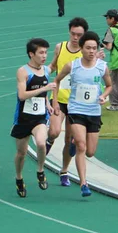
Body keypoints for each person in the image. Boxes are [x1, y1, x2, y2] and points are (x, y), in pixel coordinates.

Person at [53, 31, 112, 197]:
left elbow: (109, 85)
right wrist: (55, 101)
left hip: (93, 112)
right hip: (76, 110)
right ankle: (83, 183)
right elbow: (56, 81)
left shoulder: (102, 66)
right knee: (81, 146)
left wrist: (103, 95)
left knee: (90, 152)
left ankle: (74, 142)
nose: (91, 51)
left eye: (94, 48)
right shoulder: (72, 66)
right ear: (81, 48)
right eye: (88, 48)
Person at [46, 17, 89, 186]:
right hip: (60, 99)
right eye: (73, 33)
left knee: (69, 140)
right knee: (55, 131)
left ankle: (64, 171)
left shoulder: (87, 52)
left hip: (77, 103)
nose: (75, 37)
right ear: (69, 32)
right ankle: (49, 141)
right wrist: (39, 71)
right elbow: (53, 66)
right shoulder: (60, 47)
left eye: (79, 35)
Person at [12, 38, 56, 198]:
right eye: (41, 53)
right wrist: (44, 89)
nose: (44, 56)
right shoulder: (23, 71)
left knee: (41, 143)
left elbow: (43, 93)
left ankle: (40, 170)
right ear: (31, 54)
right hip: (23, 118)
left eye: (46, 52)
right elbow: (22, 95)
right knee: (21, 153)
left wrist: (47, 103)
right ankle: (19, 178)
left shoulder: (46, 70)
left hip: (40, 118)